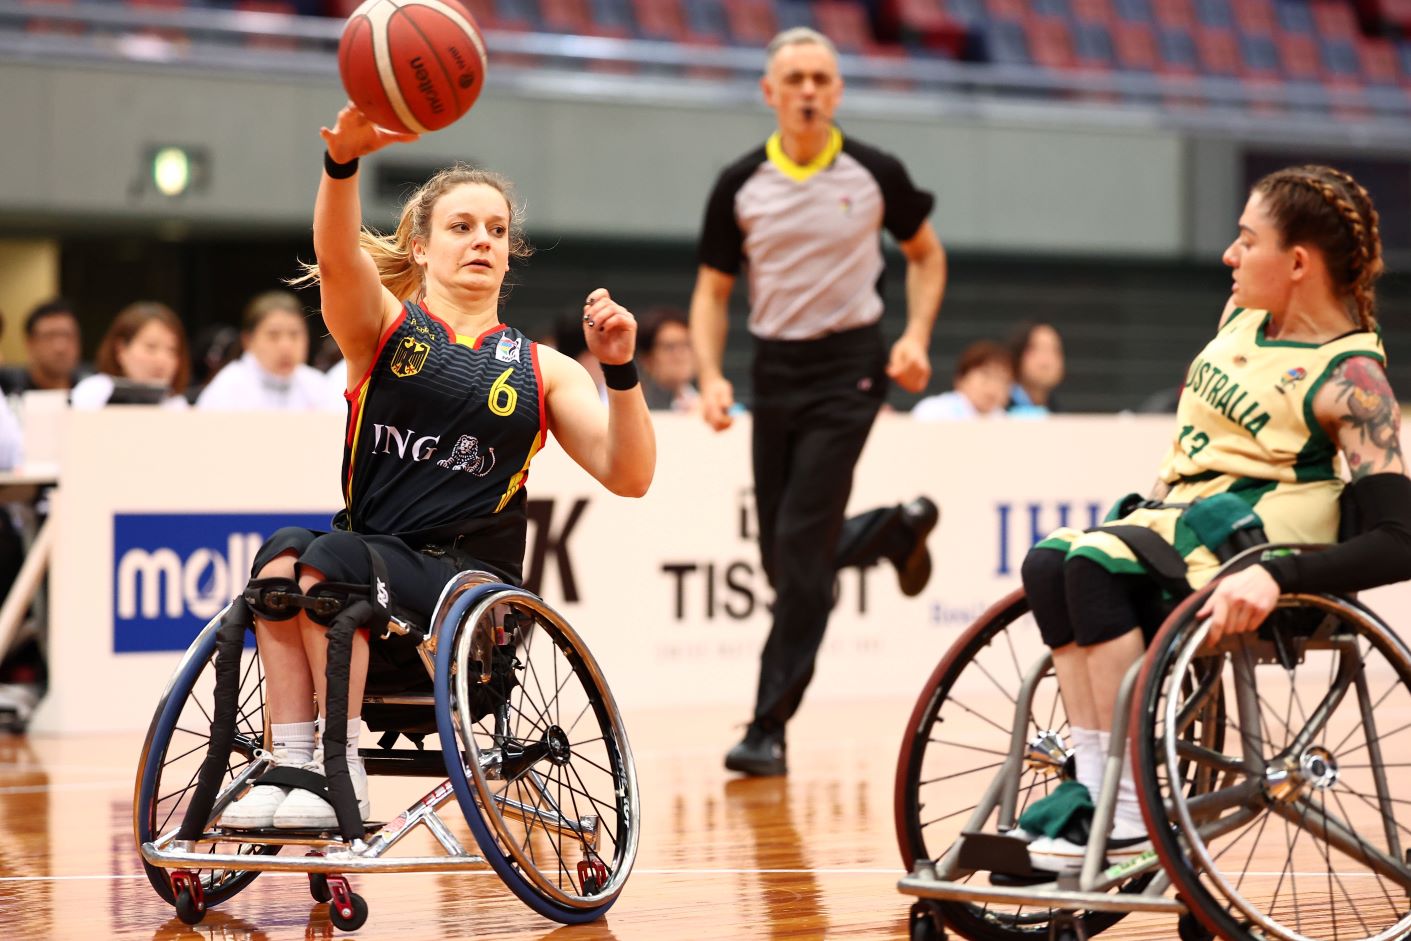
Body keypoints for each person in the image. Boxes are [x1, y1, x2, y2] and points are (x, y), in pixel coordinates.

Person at [218, 103, 655, 831]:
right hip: (360, 568)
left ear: (510, 252)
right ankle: (291, 762)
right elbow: (336, 257)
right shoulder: (385, 330)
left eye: (496, 230)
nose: (482, 240)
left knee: (329, 558)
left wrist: (620, 371)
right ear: (419, 247)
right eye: (461, 227)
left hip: (461, 593)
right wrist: (342, 164)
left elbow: (629, 473)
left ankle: (337, 774)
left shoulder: (542, 368)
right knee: (280, 558)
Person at [1015, 165, 1411, 873]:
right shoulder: (1238, 321)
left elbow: (1399, 541)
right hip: (1180, 522)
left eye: (1244, 238)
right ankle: (1094, 786)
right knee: (1049, 561)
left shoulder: (1352, 379)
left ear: (1295, 262)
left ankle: (1129, 811)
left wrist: (1276, 573)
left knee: (1094, 565)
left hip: (1251, 548)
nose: (1229, 254)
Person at [688, 27, 947, 777]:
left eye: (820, 79)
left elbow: (927, 255)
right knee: (781, 554)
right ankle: (892, 531)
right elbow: (713, 291)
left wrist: (915, 335)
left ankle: (767, 725)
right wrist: (709, 373)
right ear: (769, 93)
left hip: (849, 367)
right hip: (775, 369)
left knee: (800, 551)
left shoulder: (874, 172)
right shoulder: (738, 184)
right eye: (793, 79)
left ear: (836, 92)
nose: (807, 90)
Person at [195, 290, 341, 411]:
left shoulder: (317, 385)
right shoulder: (227, 388)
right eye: (273, 335)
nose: (286, 346)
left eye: (294, 334)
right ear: (248, 340)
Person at [69, 302, 191, 409]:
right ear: (121, 350)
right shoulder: (94, 391)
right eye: (151, 347)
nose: (162, 359)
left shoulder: (176, 403)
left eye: (172, 350)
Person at [0, 300, 88, 396]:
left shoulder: (92, 387)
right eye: (49, 336)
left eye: (67, 335)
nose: (60, 347)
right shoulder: (7, 389)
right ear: (30, 343)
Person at [911, 340, 1012, 421]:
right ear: (961, 378)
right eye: (986, 376)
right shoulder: (933, 410)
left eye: (1003, 380)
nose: (993, 387)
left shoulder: (1007, 422)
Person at [637, 308, 699, 412]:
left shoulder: (705, 404)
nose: (681, 354)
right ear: (647, 360)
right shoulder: (637, 406)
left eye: (687, 344)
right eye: (670, 347)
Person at [1006, 320, 1064, 417]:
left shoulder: (1055, 410)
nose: (1047, 359)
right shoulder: (1000, 407)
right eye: (1038, 349)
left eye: (1054, 350)